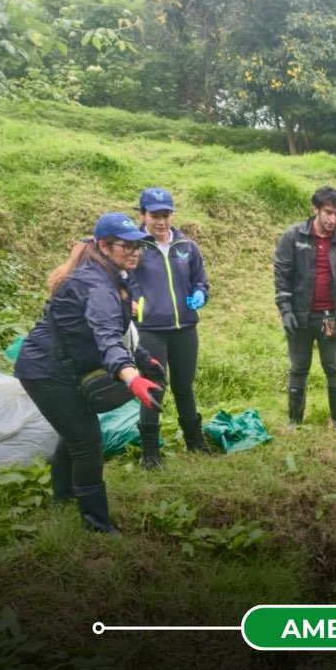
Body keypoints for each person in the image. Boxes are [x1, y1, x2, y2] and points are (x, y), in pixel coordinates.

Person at [15, 213, 166, 535]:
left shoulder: (112, 274)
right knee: (86, 442)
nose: (135, 252)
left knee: (76, 434)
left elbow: (120, 327)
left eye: (139, 246)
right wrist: (132, 377)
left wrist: (142, 357)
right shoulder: (97, 285)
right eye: (127, 246)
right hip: (46, 371)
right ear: (104, 245)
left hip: (63, 366)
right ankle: (96, 526)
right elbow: (107, 337)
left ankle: (63, 499)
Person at [129, 186, 210, 468]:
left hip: (185, 328)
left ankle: (195, 442)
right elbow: (124, 279)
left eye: (166, 215)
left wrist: (200, 294)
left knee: (184, 387)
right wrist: (134, 299)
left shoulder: (187, 246)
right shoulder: (135, 247)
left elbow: (200, 280)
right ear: (142, 215)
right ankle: (150, 453)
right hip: (151, 330)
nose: (161, 222)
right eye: (155, 216)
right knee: (153, 388)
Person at [274, 186, 336, 433]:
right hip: (300, 317)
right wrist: (285, 310)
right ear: (315, 209)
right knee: (298, 367)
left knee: (333, 366)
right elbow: (282, 275)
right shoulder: (293, 237)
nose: (333, 219)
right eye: (328, 212)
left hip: (331, 318)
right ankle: (294, 421)